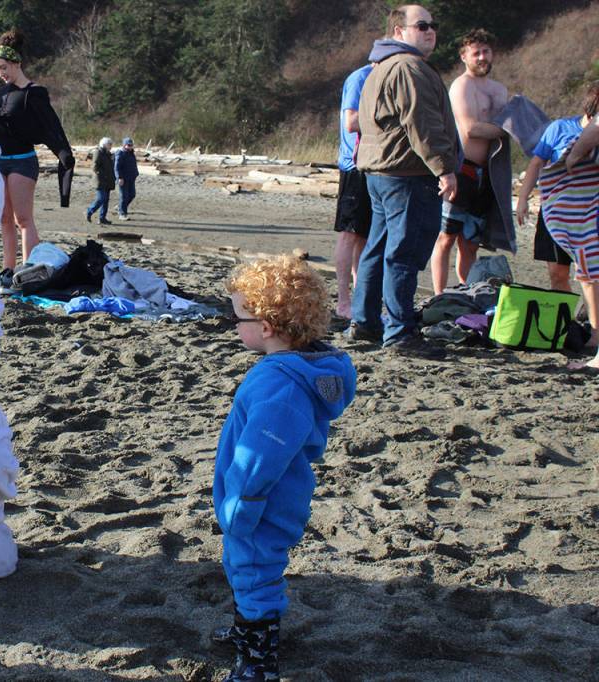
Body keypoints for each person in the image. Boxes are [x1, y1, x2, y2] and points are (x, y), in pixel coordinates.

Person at [211, 255, 356, 682]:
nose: (234, 325)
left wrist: (242, 502)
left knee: (255, 572)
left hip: (262, 501)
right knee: (244, 567)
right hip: (271, 495)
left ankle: (259, 657)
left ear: (267, 327)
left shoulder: (281, 386)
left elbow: (261, 455)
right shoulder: (294, 372)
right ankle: (248, 630)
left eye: (238, 317)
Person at [350, 4, 459, 353]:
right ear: (399, 32)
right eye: (421, 25)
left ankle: (366, 323)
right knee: (403, 253)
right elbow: (422, 124)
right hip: (406, 175)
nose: (430, 31)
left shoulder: (382, 67)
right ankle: (399, 332)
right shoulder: (408, 67)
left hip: (382, 172)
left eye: (433, 25)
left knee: (378, 249)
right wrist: (445, 168)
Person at [0, 29, 75, 283]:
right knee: (3, 218)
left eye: (3, 67)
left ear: (16, 63)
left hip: (23, 160)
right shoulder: (3, 93)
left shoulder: (35, 93)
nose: (0, 73)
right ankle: (8, 269)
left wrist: (63, 152)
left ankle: (29, 269)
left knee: (22, 219)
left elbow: (51, 125)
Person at [516, 82, 599, 359]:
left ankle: (596, 332)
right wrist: (523, 198)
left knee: (590, 275)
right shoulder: (560, 128)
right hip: (555, 213)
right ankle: (565, 326)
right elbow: (537, 164)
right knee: (558, 274)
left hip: (590, 215)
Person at [429, 29, 510, 294]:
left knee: (471, 241)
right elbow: (470, 129)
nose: (482, 57)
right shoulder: (461, 86)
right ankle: (439, 295)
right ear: (464, 56)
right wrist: (507, 129)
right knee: (446, 237)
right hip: (461, 170)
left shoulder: (499, 90)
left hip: (487, 175)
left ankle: (467, 293)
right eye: (476, 53)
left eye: (486, 51)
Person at [333, 62, 374, 318]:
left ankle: (360, 298)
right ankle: (343, 301)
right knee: (349, 233)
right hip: (355, 165)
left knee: (365, 236)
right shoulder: (361, 77)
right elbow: (351, 121)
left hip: (378, 166)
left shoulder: (388, 75)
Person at [86, 136, 115, 225]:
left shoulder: (108, 154)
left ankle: (102, 218)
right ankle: (89, 211)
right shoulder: (98, 152)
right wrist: (102, 175)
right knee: (101, 199)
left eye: (111, 144)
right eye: (109, 144)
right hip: (100, 180)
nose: (110, 146)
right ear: (104, 144)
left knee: (105, 200)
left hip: (108, 180)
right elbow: (94, 166)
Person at [115, 137, 139, 220]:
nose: (130, 146)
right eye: (128, 145)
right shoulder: (120, 153)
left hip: (131, 178)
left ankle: (120, 207)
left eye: (131, 145)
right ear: (124, 145)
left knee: (132, 195)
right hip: (123, 179)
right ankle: (122, 214)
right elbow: (117, 167)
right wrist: (119, 177)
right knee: (124, 196)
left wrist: (136, 174)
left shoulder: (131, 153)